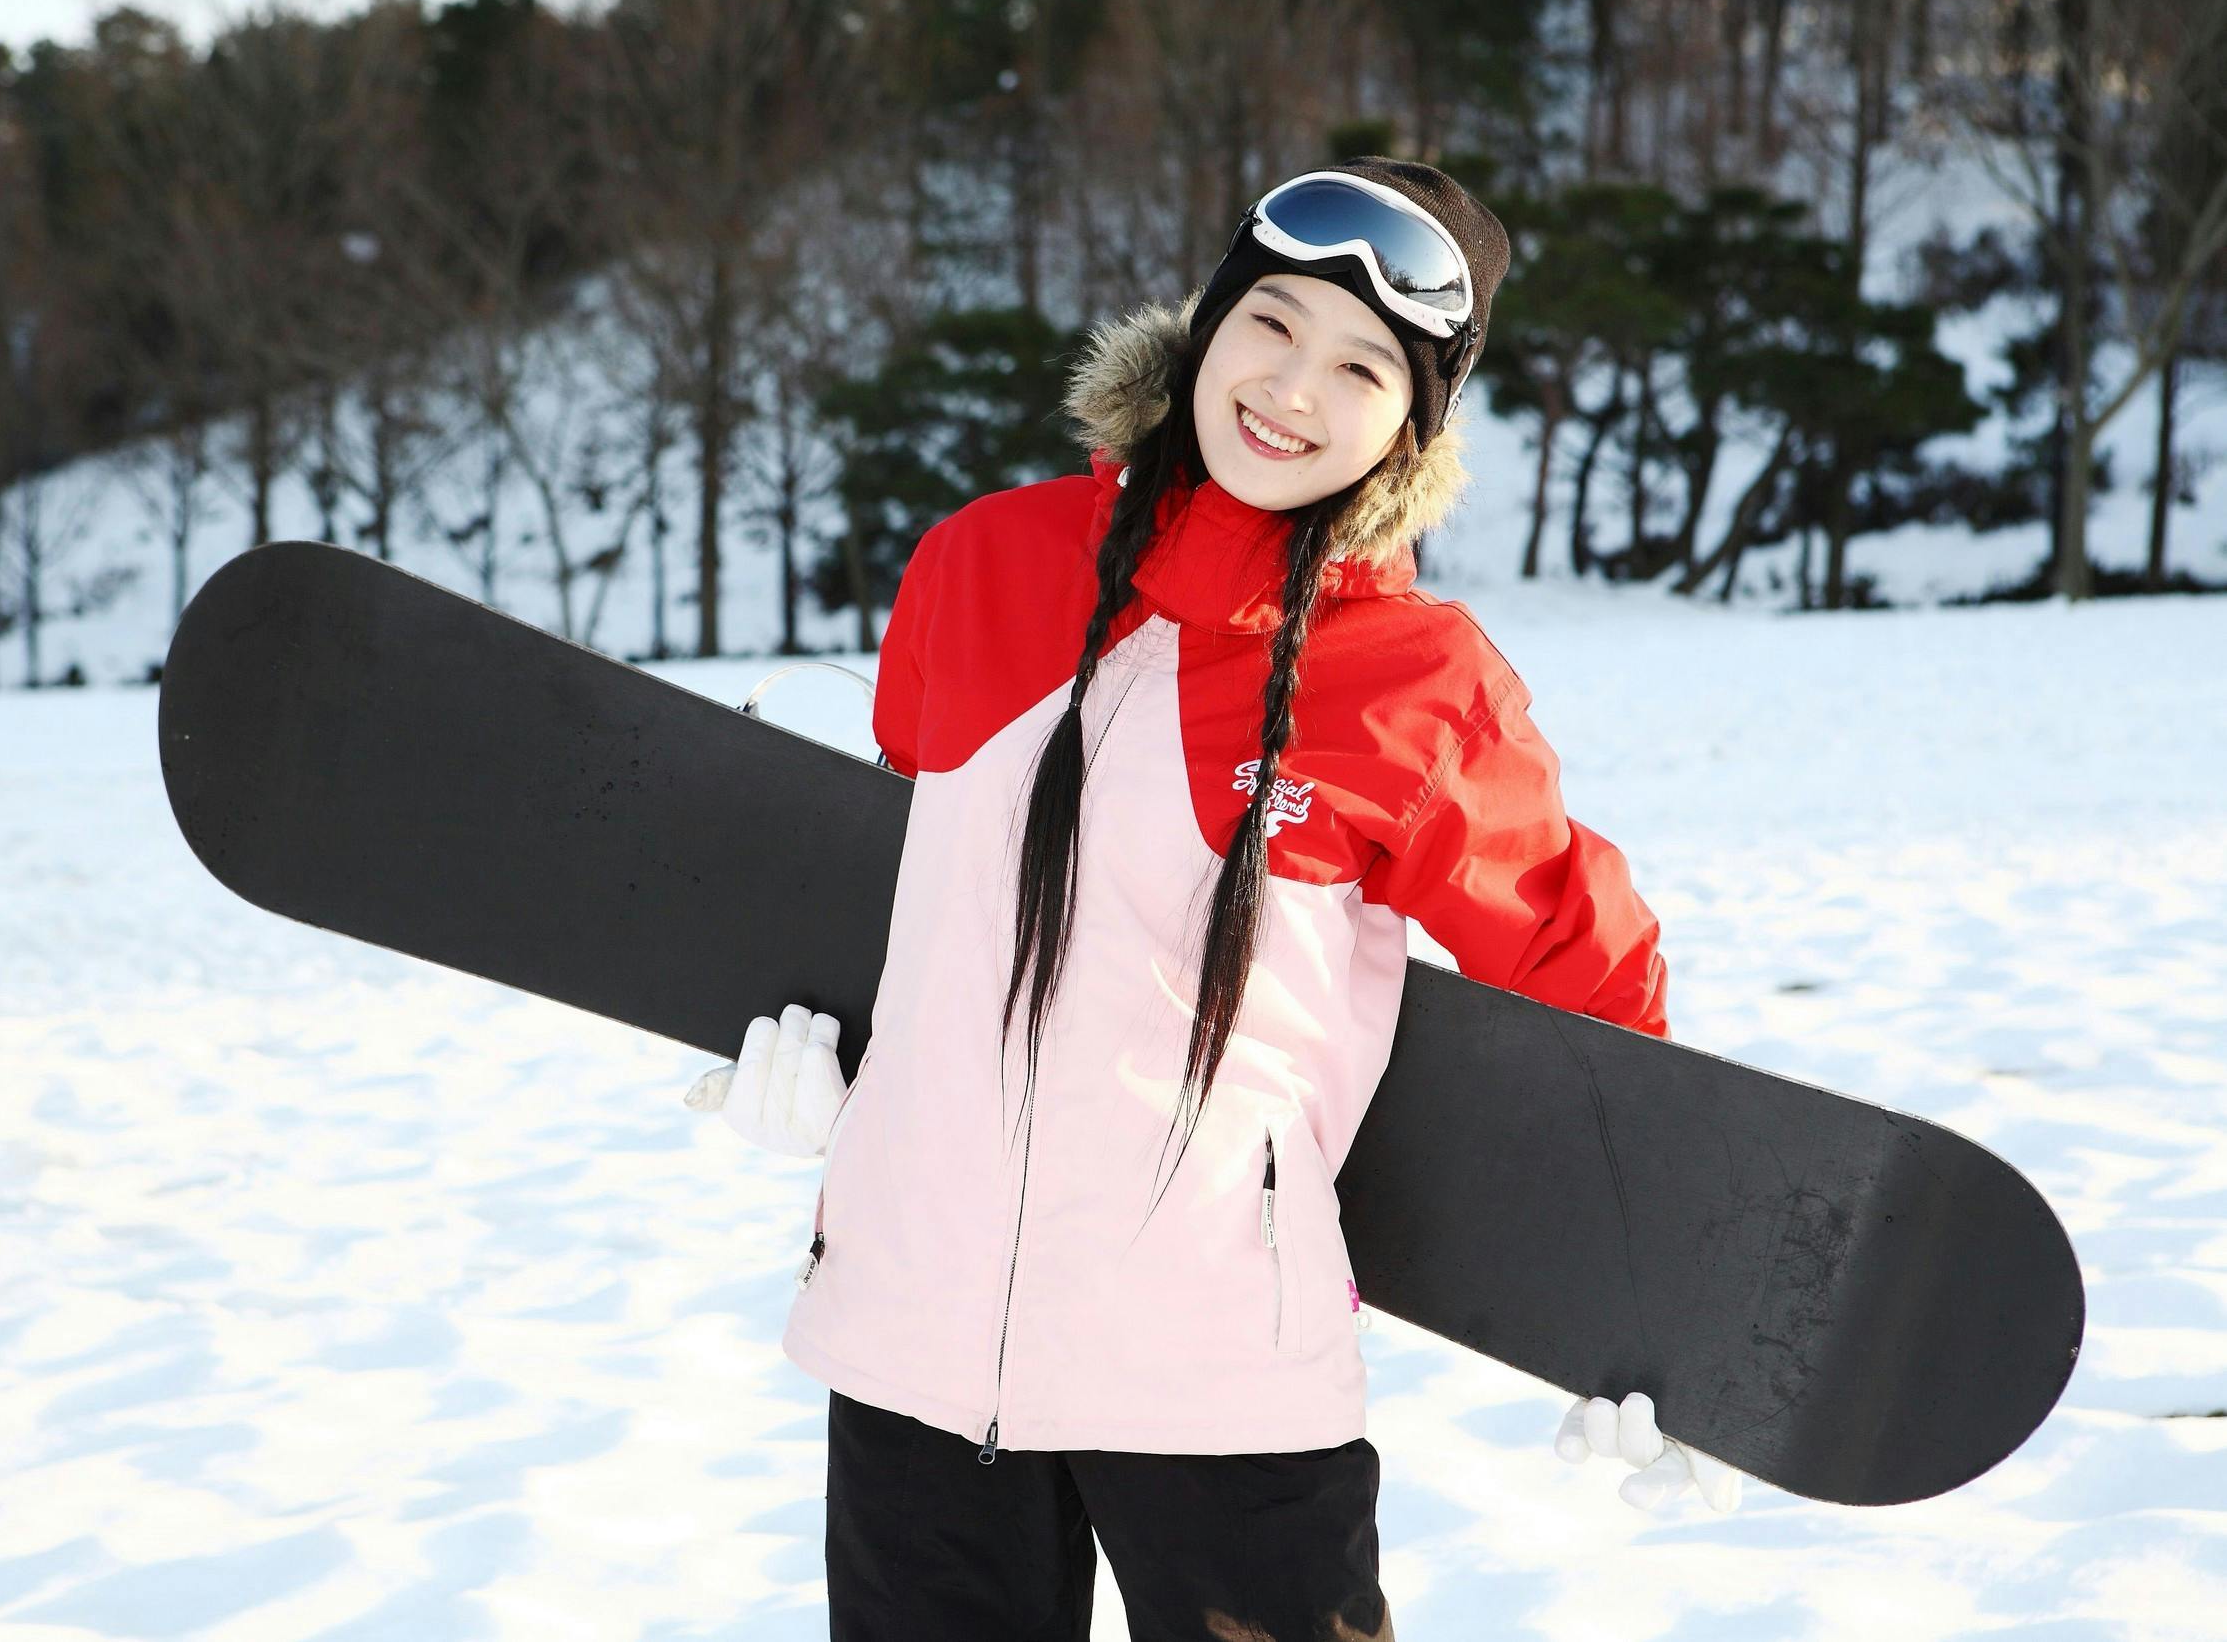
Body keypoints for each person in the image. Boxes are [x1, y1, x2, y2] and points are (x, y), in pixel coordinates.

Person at [686, 158, 1737, 1642]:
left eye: (1363, 368)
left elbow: (1589, 979)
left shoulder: (1421, 682)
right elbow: (910, 886)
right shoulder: (980, 563)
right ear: (1205, 325)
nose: (1293, 390)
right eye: (1274, 323)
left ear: (1410, 430)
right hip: (912, 1349)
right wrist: (842, 1068)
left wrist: (1660, 1317)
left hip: (1225, 1390)